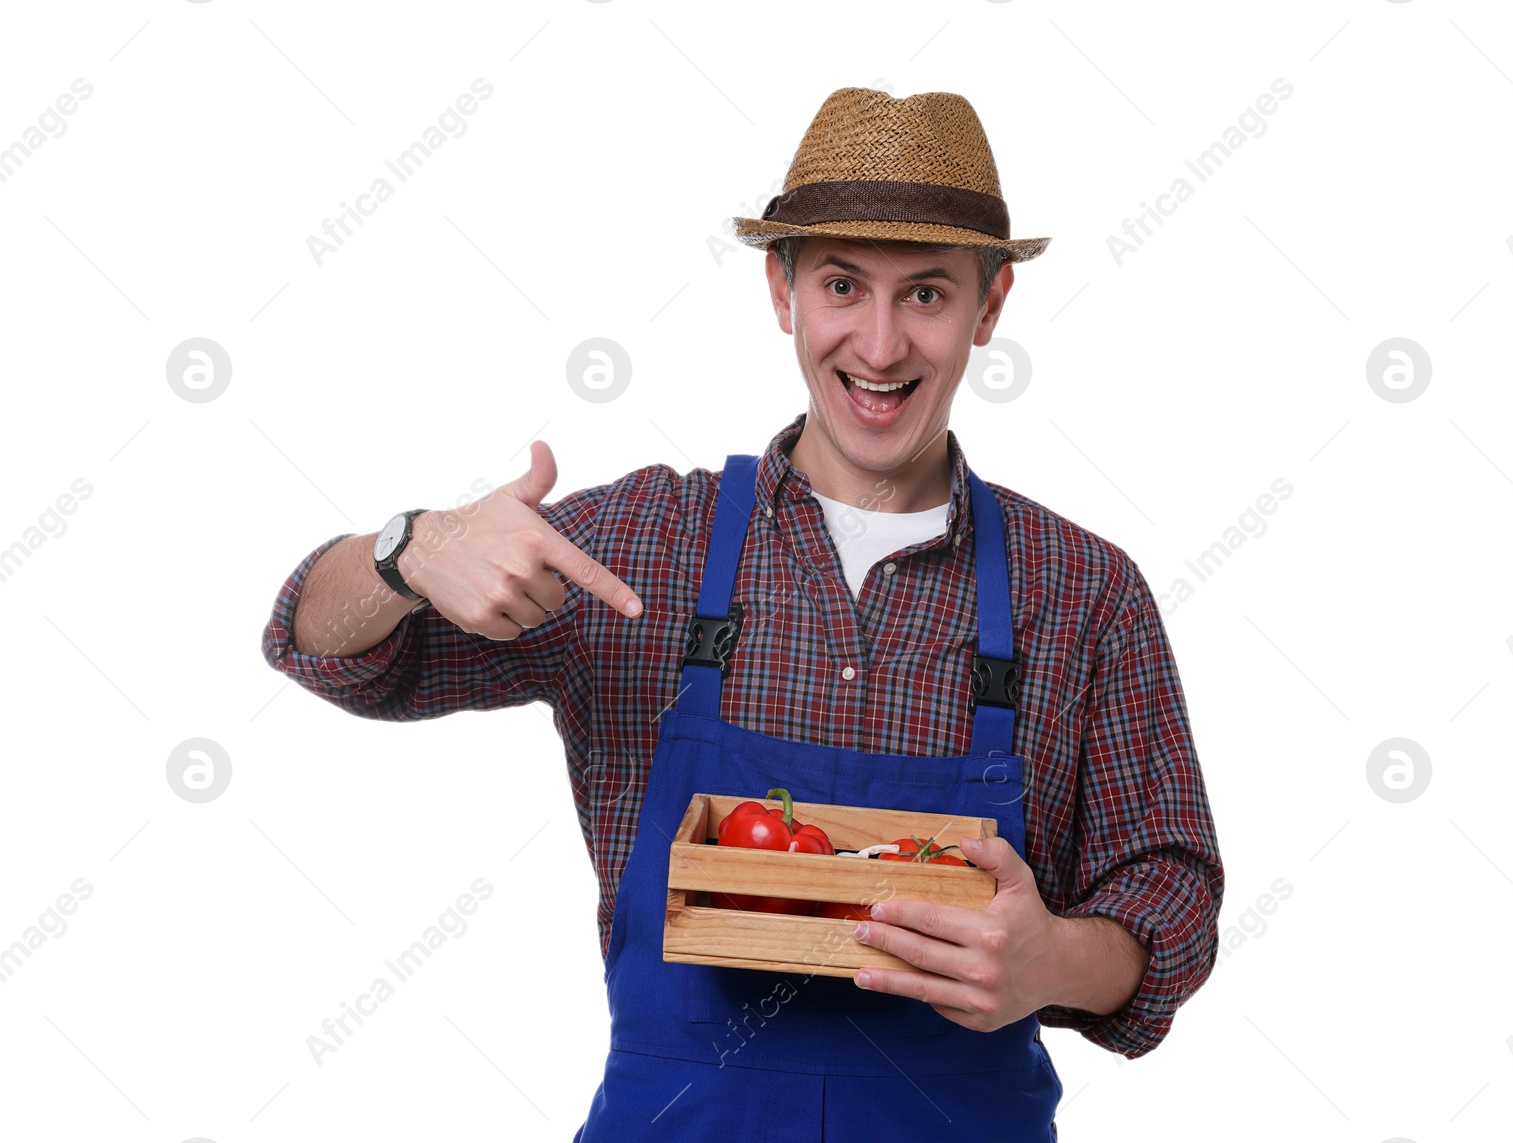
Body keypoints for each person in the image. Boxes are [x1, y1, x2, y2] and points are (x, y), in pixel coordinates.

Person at [261, 86, 1224, 1140]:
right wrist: (410, 551)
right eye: (843, 285)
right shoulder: (645, 544)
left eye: (928, 295)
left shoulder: (1080, 591)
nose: (879, 342)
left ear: (988, 309)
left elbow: (1168, 895)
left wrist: (1055, 961)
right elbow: (322, 648)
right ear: (783, 291)